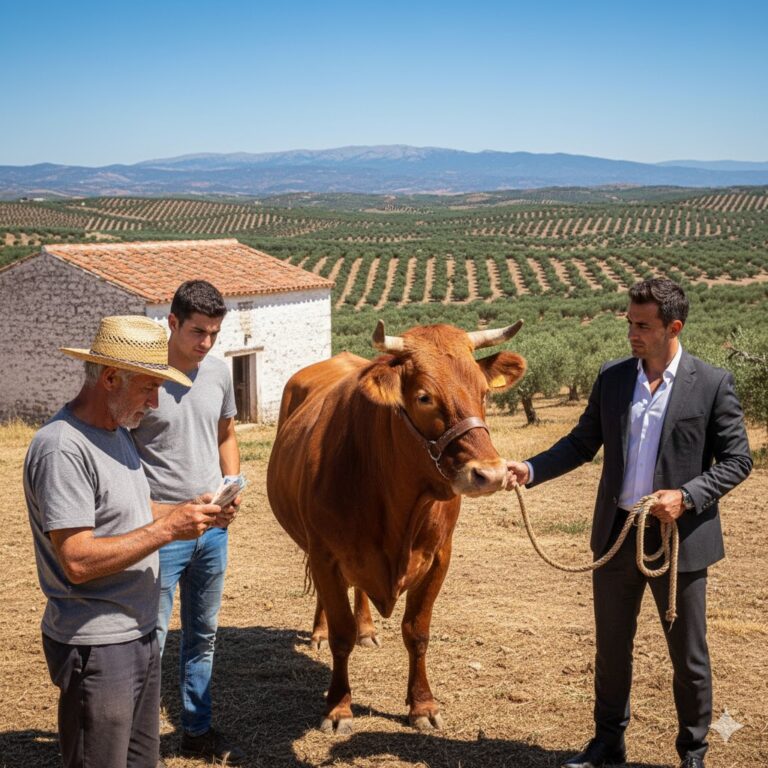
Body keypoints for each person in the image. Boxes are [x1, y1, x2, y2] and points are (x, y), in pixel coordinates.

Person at [507, 278, 752, 768]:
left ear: (673, 327)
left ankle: (694, 751)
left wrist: (687, 496)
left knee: (689, 656)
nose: (632, 334)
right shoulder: (614, 378)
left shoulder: (711, 383)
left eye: (643, 326)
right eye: (629, 323)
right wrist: (530, 470)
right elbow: (580, 444)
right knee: (611, 647)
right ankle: (607, 742)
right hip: (617, 537)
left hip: (678, 540)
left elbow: (737, 460)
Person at [24, 315, 224, 768]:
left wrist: (192, 513)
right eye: (148, 387)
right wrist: (170, 530)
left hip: (135, 633)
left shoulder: (117, 434)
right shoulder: (63, 448)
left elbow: (134, 514)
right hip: (96, 644)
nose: (155, 402)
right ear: (111, 377)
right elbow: (76, 559)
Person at [131, 280, 244, 765]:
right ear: (172, 322)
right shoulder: (143, 378)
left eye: (214, 333)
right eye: (197, 331)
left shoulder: (217, 373)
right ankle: (140, 741)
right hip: (159, 533)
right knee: (148, 640)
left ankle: (197, 729)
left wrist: (232, 485)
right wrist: (158, 519)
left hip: (211, 531)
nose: (206, 343)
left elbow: (226, 433)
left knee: (203, 634)